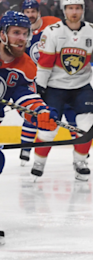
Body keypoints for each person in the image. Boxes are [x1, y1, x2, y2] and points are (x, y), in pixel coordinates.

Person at [33, 0, 93, 181]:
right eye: (70, 8)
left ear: (83, 10)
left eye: (78, 8)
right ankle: (39, 162)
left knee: (87, 126)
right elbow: (45, 64)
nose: (74, 11)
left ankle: (80, 162)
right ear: (64, 11)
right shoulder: (52, 32)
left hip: (81, 87)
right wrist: (40, 87)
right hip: (55, 87)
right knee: (48, 130)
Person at [0, 11, 59, 174]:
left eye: (25, 34)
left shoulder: (25, 66)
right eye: (16, 33)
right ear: (2, 34)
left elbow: (25, 98)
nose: (21, 39)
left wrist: (40, 112)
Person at [18, 0, 61, 165]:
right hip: (30, 78)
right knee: (32, 111)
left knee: (48, 111)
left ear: (39, 12)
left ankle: (80, 149)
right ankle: (25, 150)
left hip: (51, 77)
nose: (30, 15)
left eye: (33, 11)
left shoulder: (53, 24)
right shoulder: (20, 31)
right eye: (27, 12)